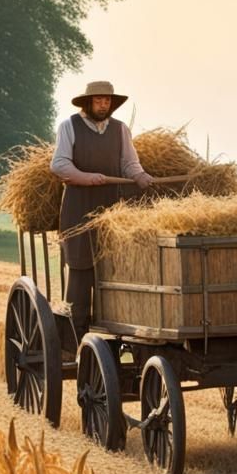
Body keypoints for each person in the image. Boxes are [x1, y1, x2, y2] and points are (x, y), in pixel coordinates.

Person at [51, 80, 154, 342]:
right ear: (88, 102)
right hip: (79, 211)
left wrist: (140, 176)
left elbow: (129, 163)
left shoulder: (120, 129)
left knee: (114, 268)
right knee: (81, 269)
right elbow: (59, 164)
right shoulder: (69, 126)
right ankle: (74, 337)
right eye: (98, 100)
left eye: (107, 101)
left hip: (112, 211)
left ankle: (113, 330)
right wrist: (85, 177)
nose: (103, 105)